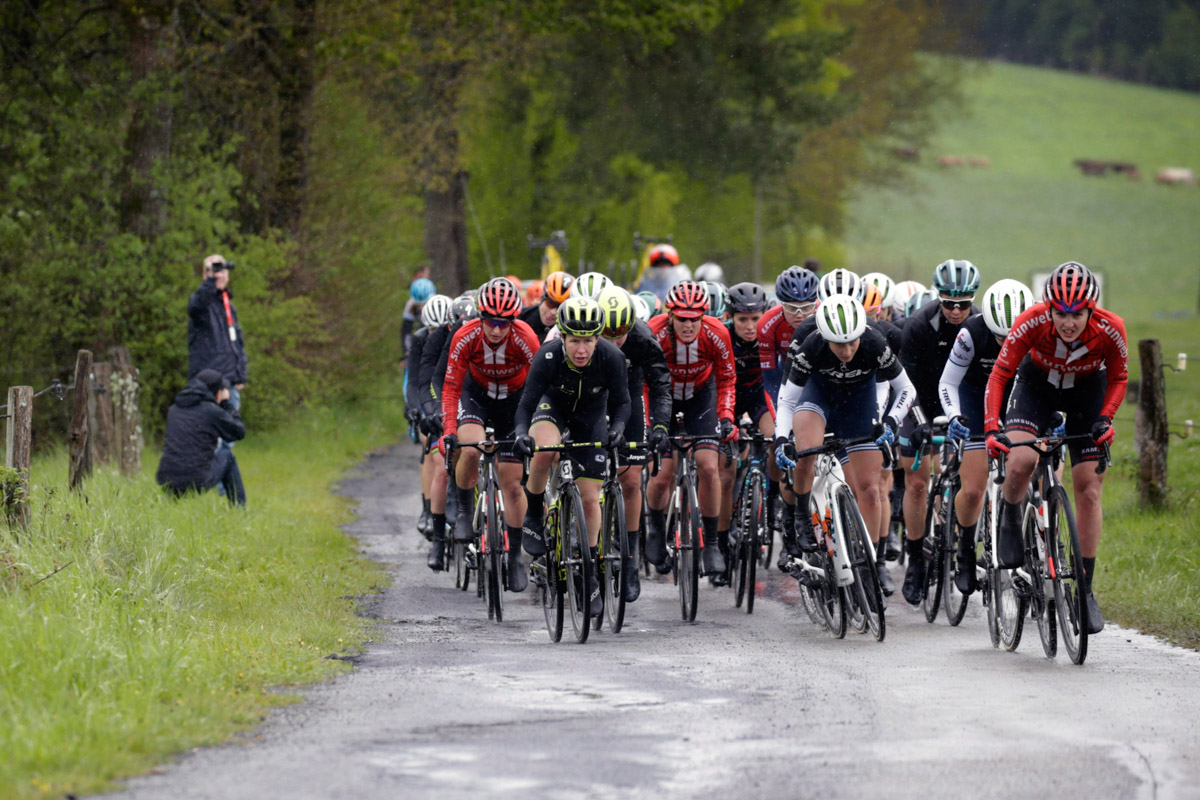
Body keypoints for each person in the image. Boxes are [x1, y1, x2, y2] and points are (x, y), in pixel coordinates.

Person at [984, 262, 1126, 633]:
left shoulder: (1111, 329)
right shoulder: (1031, 321)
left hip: (1086, 393)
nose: (1068, 322)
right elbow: (1000, 373)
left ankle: (1085, 591)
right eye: (1060, 313)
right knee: (1021, 462)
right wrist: (991, 427)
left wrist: (1106, 418)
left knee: (1090, 491)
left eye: (1076, 314)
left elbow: (1119, 377)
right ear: (1048, 308)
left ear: (1090, 310)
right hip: (1036, 389)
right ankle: (1011, 515)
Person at [774, 296, 916, 595]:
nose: (848, 350)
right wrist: (782, 439)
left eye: (852, 342)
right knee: (806, 453)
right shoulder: (810, 343)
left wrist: (890, 422)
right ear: (825, 337)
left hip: (858, 404)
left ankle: (873, 562)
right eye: (839, 345)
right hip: (818, 399)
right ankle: (801, 515)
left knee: (870, 488)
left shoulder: (874, 341)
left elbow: (906, 389)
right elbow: (787, 400)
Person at [516, 296, 631, 613]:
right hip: (552, 409)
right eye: (575, 341)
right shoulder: (549, 355)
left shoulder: (611, 357)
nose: (581, 349)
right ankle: (534, 512)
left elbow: (622, 403)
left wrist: (617, 429)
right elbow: (526, 404)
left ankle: (590, 571)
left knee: (591, 498)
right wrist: (521, 434)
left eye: (588, 341)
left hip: (591, 418)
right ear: (563, 337)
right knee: (543, 450)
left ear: (598, 339)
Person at [438, 279, 540, 590]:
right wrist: (449, 432)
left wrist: (532, 427)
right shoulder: (465, 336)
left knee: (511, 483)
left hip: (514, 402)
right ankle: (466, 512)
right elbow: (451, 387)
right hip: (477, 397)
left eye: (503, 322)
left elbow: (539, 386)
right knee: (470, 449)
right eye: (490, 321)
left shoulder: (526, 338)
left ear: (513, 320)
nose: (496, 330)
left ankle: (514, 559)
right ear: (480, 317)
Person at [940, 279, 1034, 594]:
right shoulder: (970, 333)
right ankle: (966, 553)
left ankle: (1038, 541)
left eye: (1013, 339)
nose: (1007, 345)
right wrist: (955, 416)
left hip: (1020, 395)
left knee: (1039, 466)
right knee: (973, 488)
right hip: (976, 396)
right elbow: (948, 383)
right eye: (1000, 338)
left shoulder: (1039, 331)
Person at [897, 259, 981, 606]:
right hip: (922, 403)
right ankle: (916, 560)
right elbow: (906, 383)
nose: (957, 310)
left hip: (962, 403)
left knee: (971, 483)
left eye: (964, 303)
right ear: (938, 298)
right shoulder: (919, 325)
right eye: (949, 303)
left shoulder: (979, 323)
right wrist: (918, 422)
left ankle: (965, 549)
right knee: (917, 482)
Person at [645, 280, 738, 583]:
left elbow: (726, 378)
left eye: (694, 318)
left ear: (703, 316)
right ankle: (657, 529)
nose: (688, 325)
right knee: (662, 476)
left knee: (709, 467)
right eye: (681, 318)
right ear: (670, 315)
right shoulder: (654, 332)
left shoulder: (717, 333)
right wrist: (652, 423)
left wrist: (725, 417)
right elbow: (644, 384)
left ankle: (710, 544)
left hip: (702, 396)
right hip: (664, 398)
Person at [596, 285, 672, 602]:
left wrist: (660, 425)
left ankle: (629, 561)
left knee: (631, 478)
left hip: (628, 399)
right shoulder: (582, 337)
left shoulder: (641, 338)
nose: (615, 342)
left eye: (621, 334)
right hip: (592, 399)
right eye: (607, 335)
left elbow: (660, 385)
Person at [758, 265, 820, 568]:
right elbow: (770, 380)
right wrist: (782, 420)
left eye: (807, 307)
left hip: (818, 386)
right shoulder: (768, 326)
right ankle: (786, 522)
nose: (799, 314)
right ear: (779, 304)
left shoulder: (824, 319)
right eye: (792, 308)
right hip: (784, 386)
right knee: (778, 440)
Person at [716, 282, 774, 581]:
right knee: (725, 475)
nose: (751, 327)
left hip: (760, 399)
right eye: (743, 320)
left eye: (756, 318)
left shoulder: (771, 334)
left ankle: (776, 503)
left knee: (778, 440)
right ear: (731, 317)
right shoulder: (722, 336)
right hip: (727, 400)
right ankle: (723, 545)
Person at [156, 369, 246, 504]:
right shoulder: (211, 411)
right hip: (196, 480)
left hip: (166, 478)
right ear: (218, 392)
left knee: (182, 461)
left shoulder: (174, 409)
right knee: (227, 457)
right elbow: (238, 432)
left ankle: (172, 501)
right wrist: (226, 403)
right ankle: (239, 510)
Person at [188, 254, 248, 413]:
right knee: (208, 436)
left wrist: (240, 375)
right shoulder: (202, 304)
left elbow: (237, 343)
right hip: (208, 386)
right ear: (205, 276)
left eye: (223, 271)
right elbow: (195, 306)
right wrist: (210, 281)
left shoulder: (228, 306)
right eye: (215, 271)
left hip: (229, 385)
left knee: (229, 435)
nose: (219, 275)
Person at [518, 271, 573, 343]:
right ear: (542, 299)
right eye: (550, 304)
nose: (554, 312)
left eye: (560, 308)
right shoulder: (522, 316)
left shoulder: (570, 325)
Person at [401, 277, 436, 356]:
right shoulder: (410, 305)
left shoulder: (438, 303)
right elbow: (406, 330)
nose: (421, 308)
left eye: (424, 303)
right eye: (418, 304)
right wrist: (406, 351)